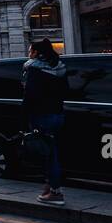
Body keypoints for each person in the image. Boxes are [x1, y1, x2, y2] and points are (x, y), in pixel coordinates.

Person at [22, 38, 69, 206]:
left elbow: (30, 96)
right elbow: (66, 91)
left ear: (36, 53)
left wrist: (25, 116)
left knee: (48, 155)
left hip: (41, 116)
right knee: (52, 151)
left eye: (30, 51)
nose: (29, 54)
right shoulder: (60, 68)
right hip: (57, 114)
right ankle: (49, 187)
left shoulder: (34, 69)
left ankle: (56, 192)